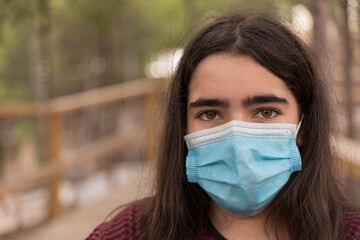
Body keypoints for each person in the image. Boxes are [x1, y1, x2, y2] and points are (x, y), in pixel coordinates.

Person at [87, 12, 360, 240]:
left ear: (304, 125)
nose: (236, 137)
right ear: (184, 126)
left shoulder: (351, 232)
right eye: (209, 114)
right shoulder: (132, 233)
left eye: (266, 112)